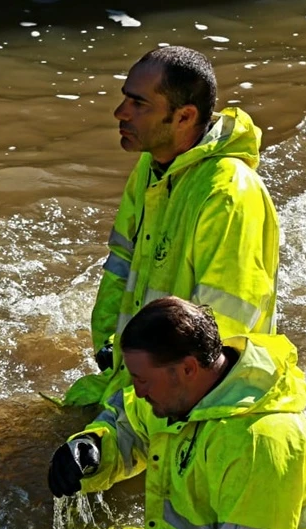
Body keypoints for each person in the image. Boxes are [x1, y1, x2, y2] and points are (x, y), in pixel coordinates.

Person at [48, 297, 306, 529]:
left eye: (141, 380)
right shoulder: (175, 392)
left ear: (187, 368)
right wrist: (91, 448)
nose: (138, 391)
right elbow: (130, 427)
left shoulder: (260, 444)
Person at [62, 45, 280, 407]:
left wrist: (140, 406)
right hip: (145, 377)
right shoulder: (150, 167)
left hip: (196, 398)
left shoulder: (229, 195)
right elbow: (121, 265)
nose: (120, 113)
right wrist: (112, 345)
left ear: (184, 117)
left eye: (138, 104)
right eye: (124, 99)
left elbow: (220, 333)